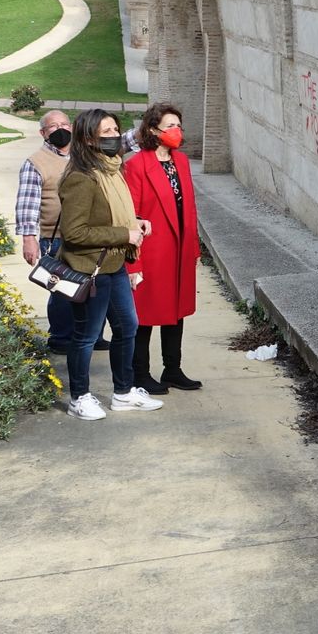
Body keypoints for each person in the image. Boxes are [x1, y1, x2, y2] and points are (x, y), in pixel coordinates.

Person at [56, 109, 164, 421]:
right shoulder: (81, 178)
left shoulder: (112, 170)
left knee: (127, 327)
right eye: (106, 132)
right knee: (87, 336)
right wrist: (124, 233)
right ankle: (79, 397)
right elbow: (74, 233)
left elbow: (114, 216)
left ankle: (123, 392)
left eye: (115, 129)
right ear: (88, 138)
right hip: (90, 269)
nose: (114, 136)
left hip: (114, 264)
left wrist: (137, 223)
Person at [124, 103, 203, 393]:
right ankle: (140, 374)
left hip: (179, 250)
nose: (176, 131)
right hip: (151, 251)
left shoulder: (180, 161)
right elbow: (130, 215)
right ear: (152, 130)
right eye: (169, 126)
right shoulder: (136, 165)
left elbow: (189, 208)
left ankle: (172, 369)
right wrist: (134, 263)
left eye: (178, 125)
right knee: (144, 316)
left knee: (176, 312)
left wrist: (193, 248)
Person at [15, 110, 80, 355]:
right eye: (53, 126)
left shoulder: (82, 155)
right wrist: (29, 240)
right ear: (43, 133)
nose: (60, 129)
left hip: (85, 235)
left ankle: (89, 335)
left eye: (65, 124)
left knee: (89, 288)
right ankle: (61, 338)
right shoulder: (36, 163)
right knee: (62, 288)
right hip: (55, 238)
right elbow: (27, 205)